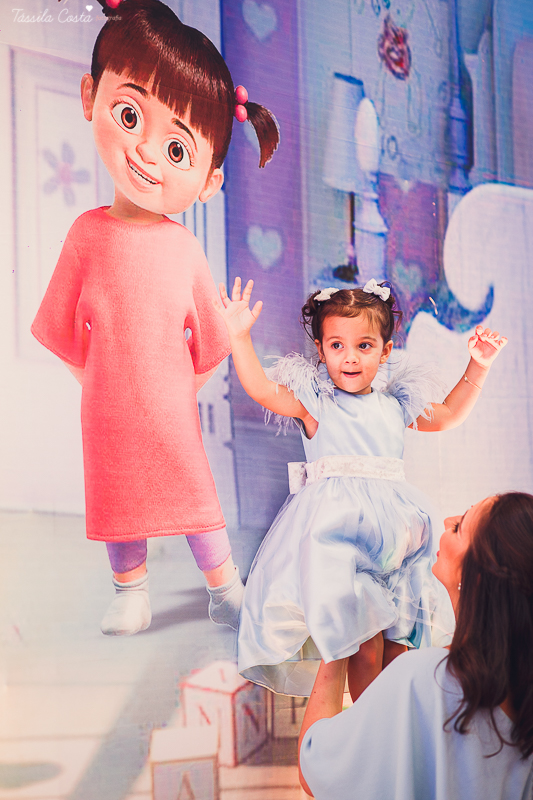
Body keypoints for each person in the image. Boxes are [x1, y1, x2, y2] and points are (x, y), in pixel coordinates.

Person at [31, 0, 279, 636]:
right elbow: (59, 327)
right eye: (130, 114)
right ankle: (130, 589)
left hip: (172, 411)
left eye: (177, 148)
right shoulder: (86, 235)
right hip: (106, 408)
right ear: (92, 96)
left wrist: (199, 368)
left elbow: (208, 340)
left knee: (195, 493)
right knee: (118, 498)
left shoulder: (184, 249)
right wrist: (96, 383)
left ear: (208, 182)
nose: (146, 153)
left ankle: (225, 588)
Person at [215, 277, 507, 699]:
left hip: (396, 538)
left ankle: (393, 730)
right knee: (363, 647)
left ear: (386, 351)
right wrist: (239, 337)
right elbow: (261, 388)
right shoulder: (317, 404)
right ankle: (368, 729)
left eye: (364, 346)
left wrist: (478, 366)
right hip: (339, 543)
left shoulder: (392, 406)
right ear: (321, 350)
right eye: (337, 346)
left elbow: (445, 415)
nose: (349, 358)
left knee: (399, 650)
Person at [298, 492, 533, 799]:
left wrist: (338, 639)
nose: (448, 521)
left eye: (460, 527)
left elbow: (315, 768)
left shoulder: (424, 678)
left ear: (476, 577)